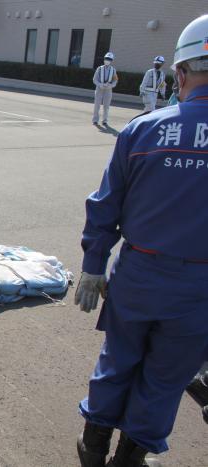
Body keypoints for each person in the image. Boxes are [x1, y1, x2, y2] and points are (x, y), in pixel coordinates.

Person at [74, 14, 208, 467]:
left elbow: (105, 205)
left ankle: (93, 447)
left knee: (119, 360)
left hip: (138, 274)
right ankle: (130, 458)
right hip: (201, 291)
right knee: (166, 378)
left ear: (181, 73)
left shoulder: (143, 129)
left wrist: (94, 263)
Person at [92, 52, 118, 125]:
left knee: (106, 106)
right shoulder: (99, 69)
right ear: (104, 59)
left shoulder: (113, 70)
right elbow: (94, 79)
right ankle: (95, 120)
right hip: (99, 88)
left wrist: (111, 85)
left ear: (111, 61)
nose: (107, 60)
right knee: (97, 105)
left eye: (109, 59)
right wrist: (100, 84)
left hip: (108, 90)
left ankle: (105, 120)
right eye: (106, 59)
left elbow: (115, 80)